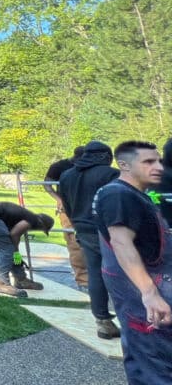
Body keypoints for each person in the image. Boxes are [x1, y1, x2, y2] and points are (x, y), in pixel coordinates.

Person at [93, 141, 172, 384]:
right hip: (139, 290)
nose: (158, 166)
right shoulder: (117, 194)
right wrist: (149, 293)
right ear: (124, 165)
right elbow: (121, 243)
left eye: (158, 160)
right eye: (148, 162)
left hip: (150, 284)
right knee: (152, 360)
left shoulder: (136, 194)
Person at [57, 140, 121, 339]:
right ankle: (134, 321)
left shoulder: (67, 176)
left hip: (82, 228)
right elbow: (118, 201)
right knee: (125, 273)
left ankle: (103, 321)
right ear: (104, 156)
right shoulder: (110, 174)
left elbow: (66, 205)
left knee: (95, 273)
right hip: (109, 229)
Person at [0, 201, 54, 297]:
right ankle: (1, 283)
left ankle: (21, 280)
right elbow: (15, 234)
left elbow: (13, 235)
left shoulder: (25, 217)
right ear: (42, 224)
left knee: (10, 250)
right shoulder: (33, 220)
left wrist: (16, 255)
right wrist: (16, 253)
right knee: (7, 250)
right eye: (42, 229)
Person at [44, 147, 89, 290]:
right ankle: (83, 280)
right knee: (74, 243)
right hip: (67, 209)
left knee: (93, 241)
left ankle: (98, 276)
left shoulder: (90, 166)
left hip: (87, 207)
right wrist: (58, 199)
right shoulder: (59, 166)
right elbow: (47, 184)